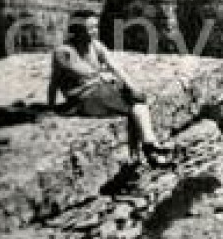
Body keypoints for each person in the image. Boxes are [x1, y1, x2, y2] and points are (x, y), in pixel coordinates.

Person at [47, 12, 175, 166]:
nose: (95, 31)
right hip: (82, 99)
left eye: (96, 26)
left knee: (137, 101)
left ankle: (150, 145)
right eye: (90, 28)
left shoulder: (95, 45)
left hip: (100, 92)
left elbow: (116, 66)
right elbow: (81, 72)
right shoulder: (64, 52)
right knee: (133, 105)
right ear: (78, 30)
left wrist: (131, 85)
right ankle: (150, 150)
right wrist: (52, 106)